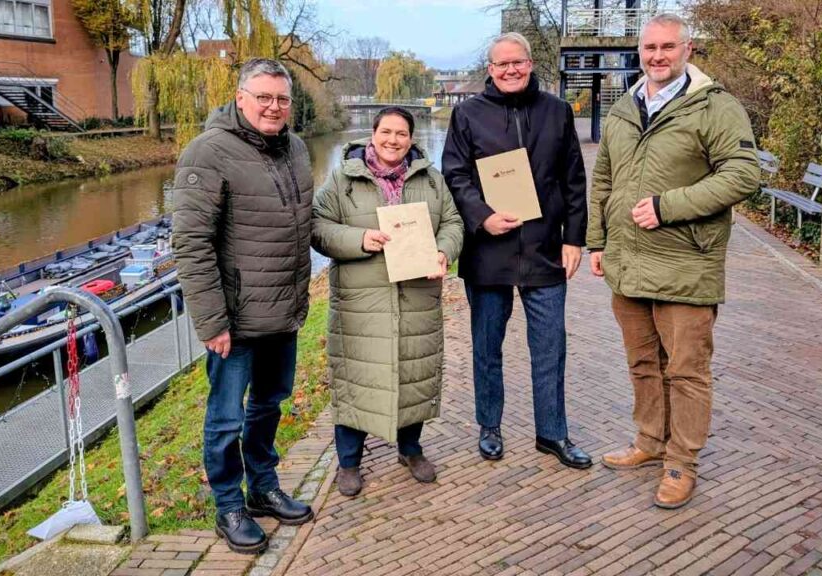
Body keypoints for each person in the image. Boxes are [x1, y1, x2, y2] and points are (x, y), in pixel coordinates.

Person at [588, 14, 761, 508]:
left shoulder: (715, 107)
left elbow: (744, 174)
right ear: (639, 52)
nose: (657, 56)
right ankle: (649, 441)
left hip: (686, 264)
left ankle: (681, 462)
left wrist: (669, 206)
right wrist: (597, 241)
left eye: (668, 47)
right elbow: (605, 180)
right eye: (649, 48)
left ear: (688, 50)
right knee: (643, 363)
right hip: (628, 264)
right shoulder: (624, 107)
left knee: (686, 370)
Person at [172, 58, 314, 554]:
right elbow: (191, 244)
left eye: (282, 99)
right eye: (264, 97)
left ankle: (263, 487)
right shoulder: (207, 153)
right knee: (226, 417)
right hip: (235, 320)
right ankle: (228, 504)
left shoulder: (295, 148)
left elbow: (303, 223)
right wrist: (212, 321)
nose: (274, 107)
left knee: (269, 405)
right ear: (240, 98)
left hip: (285, 311)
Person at [441, 32, 591, 468]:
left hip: (545, 250)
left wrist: (573, 238)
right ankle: (489, 426)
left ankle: (553, 433)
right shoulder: (467, 114)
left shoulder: (557, 112)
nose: (510, 70)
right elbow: (455, 174)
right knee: (487, 347)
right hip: (489, 252)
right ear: (490, 69)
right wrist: (482, 216)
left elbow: (574, 181)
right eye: (501, 64)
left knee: (550, 348)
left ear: (530, 64)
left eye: (517, 63)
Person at [312, 107, 464, 497]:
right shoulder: (343, 178)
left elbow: (453, 223)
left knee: (413, 374)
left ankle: (410, 449)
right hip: (362, 301)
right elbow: (318, 227)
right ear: (372, 133)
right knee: (356, 378)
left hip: (416, 296)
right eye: (386, 132)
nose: (393, 140)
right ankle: (349, 462)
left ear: (411, 139)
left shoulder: (430, 179)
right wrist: (359, 240)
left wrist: (445, 251)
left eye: (401, 134)